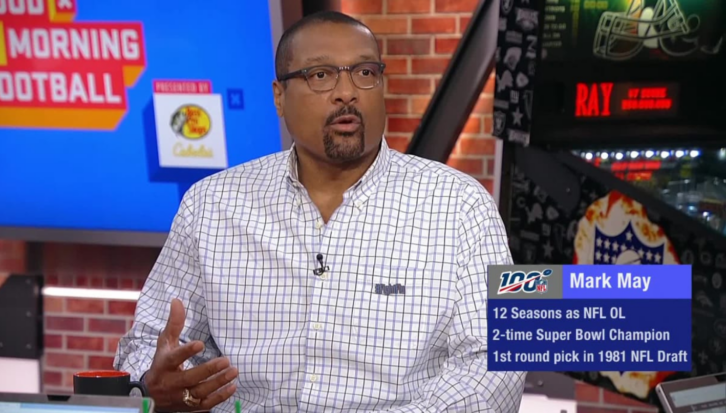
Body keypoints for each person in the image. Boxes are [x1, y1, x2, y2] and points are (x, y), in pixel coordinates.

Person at [114, 10, 526, 413]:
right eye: (321, 75)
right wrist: (151, 385)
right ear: (279, 96)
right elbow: (147, 343)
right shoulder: (210, 205)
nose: (347, 92)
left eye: (364, 72)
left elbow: (502, 357)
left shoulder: (463, 204)